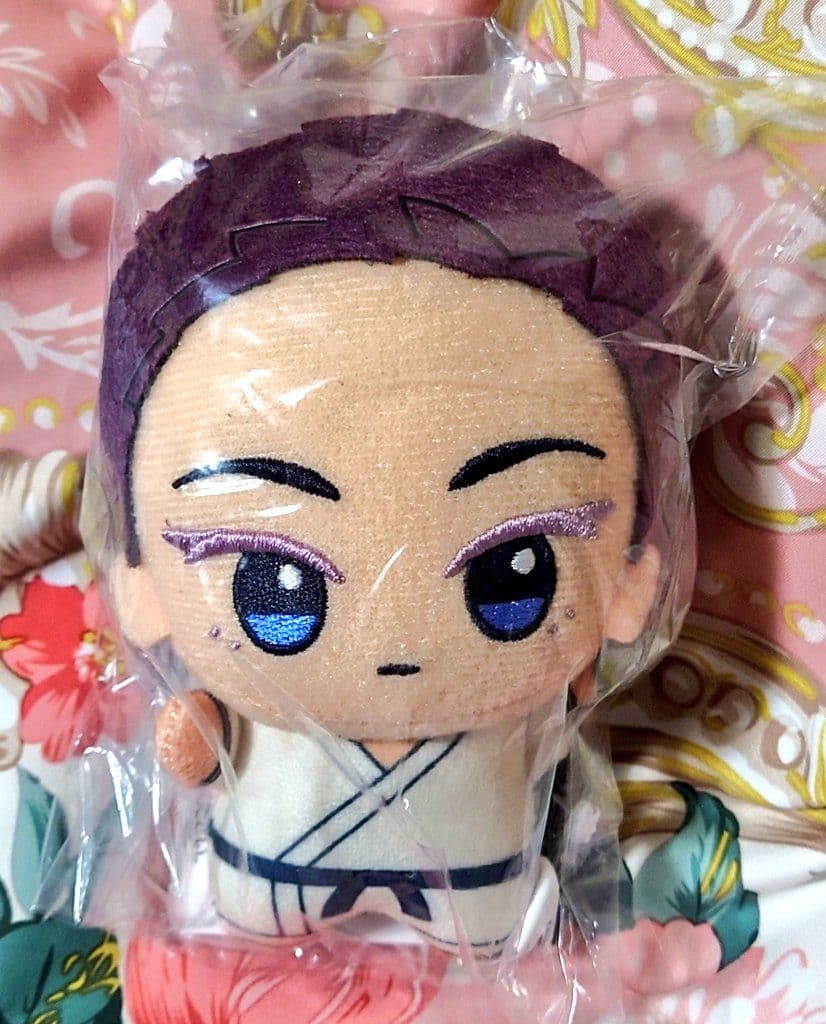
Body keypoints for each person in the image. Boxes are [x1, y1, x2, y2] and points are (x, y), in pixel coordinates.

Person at [88, 109, 669, 954]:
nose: (397, 645)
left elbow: (558, 752)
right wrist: (198, 737)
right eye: (272, 586)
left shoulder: (530, 712)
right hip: (273, 870)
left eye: (512, 574)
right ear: (141, 586)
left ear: (629, 583)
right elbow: (197, 750)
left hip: (482, 881)